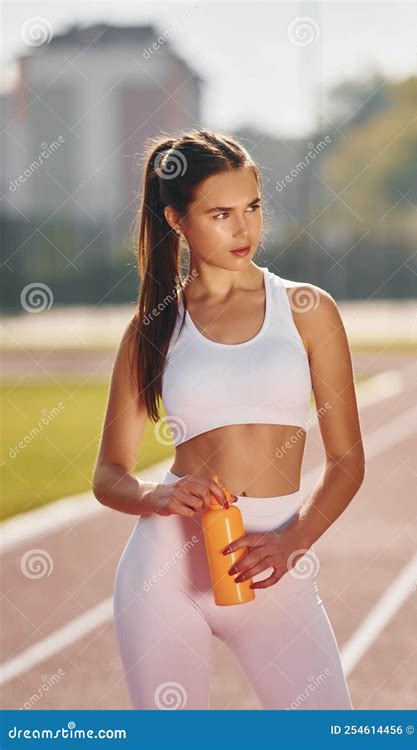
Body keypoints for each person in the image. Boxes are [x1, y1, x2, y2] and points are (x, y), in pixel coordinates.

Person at [92, 128, 365, 710]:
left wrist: (294, 541)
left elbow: (347, 461)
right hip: (165, 572)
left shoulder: (308, 310)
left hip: (276, 569)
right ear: (176, 219)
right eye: (221, 214)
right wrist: (157, 497)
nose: (244, 230)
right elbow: (109, 474)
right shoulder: (153, 328)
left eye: (253, 208)